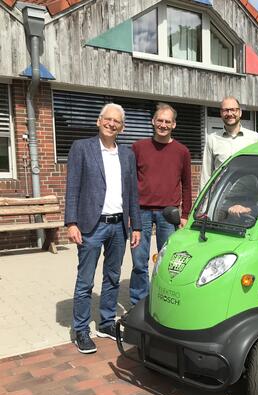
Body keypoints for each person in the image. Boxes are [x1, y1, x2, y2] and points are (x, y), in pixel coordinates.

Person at [65, 103, 141, 354]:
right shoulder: (82, 148)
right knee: (85, 280)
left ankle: (107, 323)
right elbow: (73, 187)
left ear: (122, 126)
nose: (111, 124)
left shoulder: (127, 154)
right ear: (99, 121)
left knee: (112, 278)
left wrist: (137, 226)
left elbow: (132, 194)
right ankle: (81, 330)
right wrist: (71, 222)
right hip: (91, 225)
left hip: (118, 226)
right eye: (107, 119)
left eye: (116, 121)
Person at [129, 103, 192, 307]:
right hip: (141, 213)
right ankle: (140, 304)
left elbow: (187, 185)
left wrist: (185, 214)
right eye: (160, 120)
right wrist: (130, 212)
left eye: (167, 121)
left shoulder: (182, 151)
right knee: (139, 262)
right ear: (153, 121)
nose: (163, 125)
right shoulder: (138, 148)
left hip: (169, 214)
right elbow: (129, 183)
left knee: (167, 262)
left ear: (174, 124)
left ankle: (164, 302)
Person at [200, 96, 258, 188]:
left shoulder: (255, 138)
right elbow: (206, 176)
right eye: (225, 110)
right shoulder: (212, 139)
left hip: (250, 198)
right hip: (221, 199)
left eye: (233, 110)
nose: (229, 113)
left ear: (240, 112)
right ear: (221, 113)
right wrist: (204, 201)